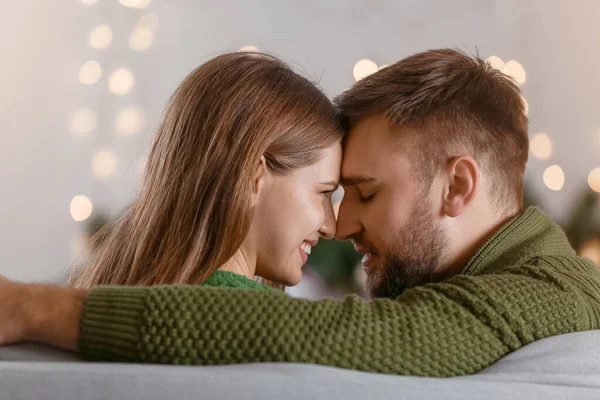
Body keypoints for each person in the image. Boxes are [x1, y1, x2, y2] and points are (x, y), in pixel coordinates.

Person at [1, 48, 599, 377]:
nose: (341, 226)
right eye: (332, 194)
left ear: (457, 186)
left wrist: (30, 306)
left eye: (364, 192)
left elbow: (378, 336)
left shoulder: (551, 290)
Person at [68, 51, 343, 290]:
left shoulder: (113, 299)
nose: (330, 227)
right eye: (323, 192)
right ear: (251, 176)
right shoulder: (254, 322)